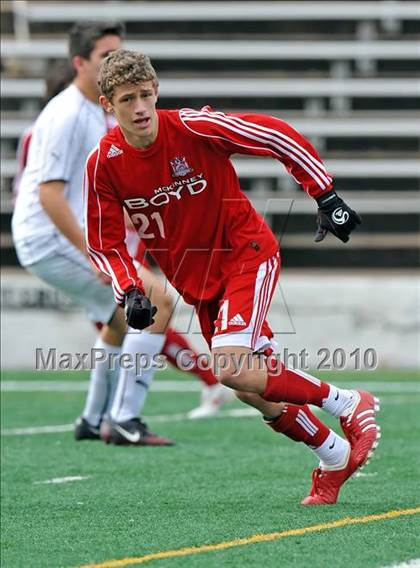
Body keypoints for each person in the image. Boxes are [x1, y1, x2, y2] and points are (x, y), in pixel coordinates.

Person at [84, 49, 380, 504]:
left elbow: (275, 133)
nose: (140, 107)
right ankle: (335, 455)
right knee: (251, 389)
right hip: (199, 284)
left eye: (146, 95)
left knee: (230, 367)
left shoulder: (192, 127)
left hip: (246, 254)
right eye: (127, 99)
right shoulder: (103, 163)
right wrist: (128, 287)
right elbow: (104, 244)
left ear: (156, 91)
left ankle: (346, 401)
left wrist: (324, 194)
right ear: (109, 105)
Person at [12, 24, 173, 446]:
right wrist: (97, 256)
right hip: (49, 238)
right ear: (79, 63)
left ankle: (93, 417)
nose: (115, 62)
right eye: (106, 55)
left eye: (119, 52)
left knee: (122, 316)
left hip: (58, 238)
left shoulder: (94, 109)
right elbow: (49, 196)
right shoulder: (66, 113)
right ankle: (124, 419)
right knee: (156, 299)